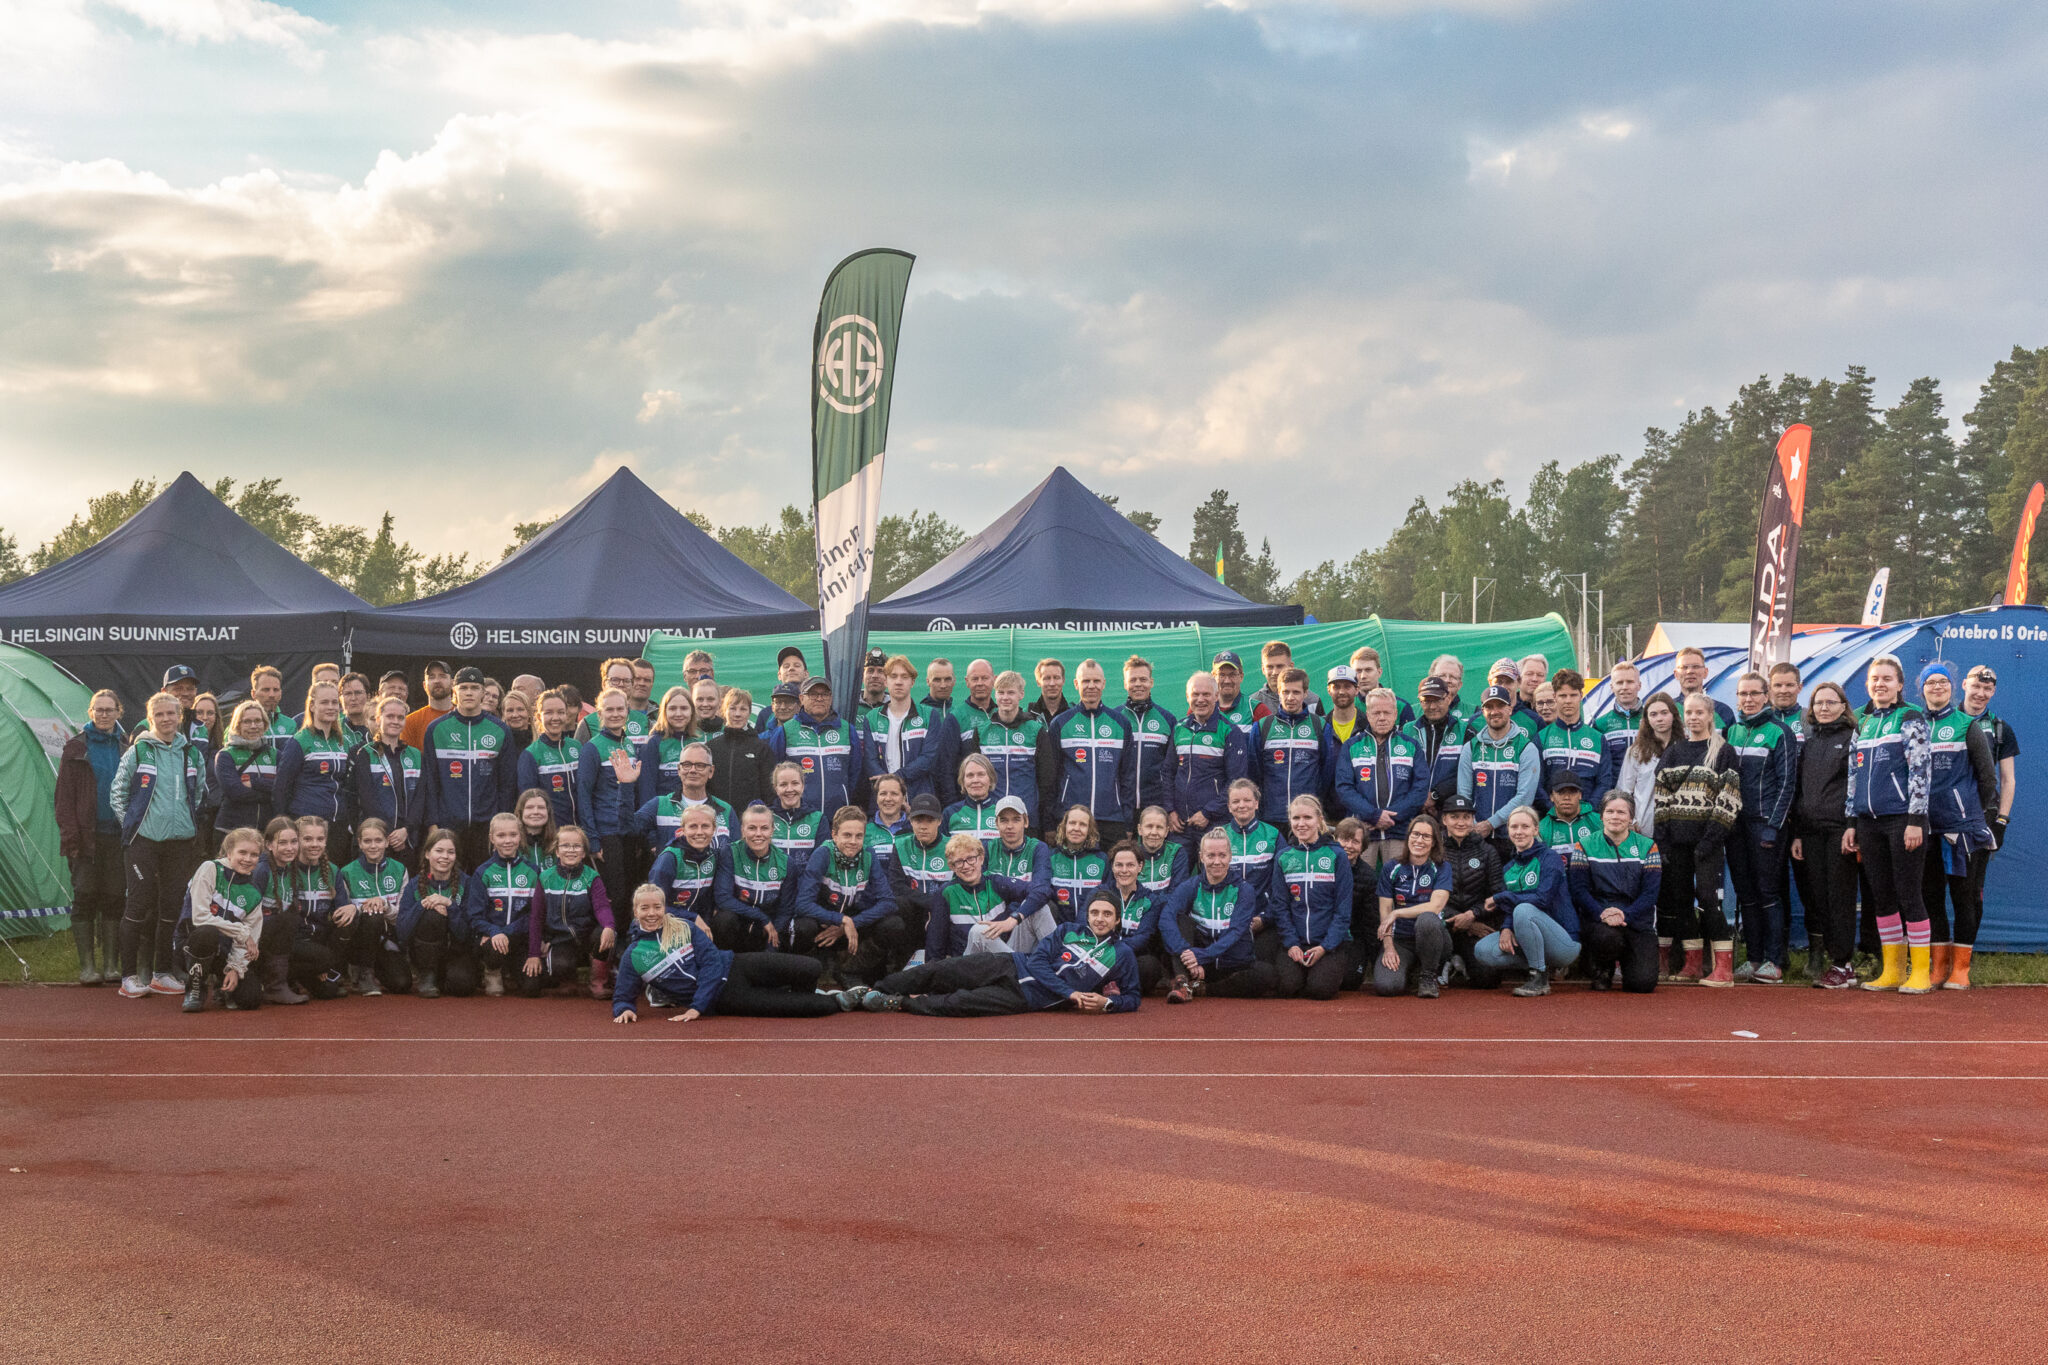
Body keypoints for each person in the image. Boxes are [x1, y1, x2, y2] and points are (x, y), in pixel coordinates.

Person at [859, 889, 1139, 1016]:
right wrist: (1070, 993)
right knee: (942, 971)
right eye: (1095, 912)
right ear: (1087, 915)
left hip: (1024, 998)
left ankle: (897, 1003)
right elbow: (1038, 962)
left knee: (959, 1003)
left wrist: (1108, 1003)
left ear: (1117, 920)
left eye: (1107, 914)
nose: (1099, 919)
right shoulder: (1068, 930)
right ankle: (873, 989)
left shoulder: (1122, 954)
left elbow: (1133, 997)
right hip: (1011, 964)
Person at [610, 885, 845, 1023]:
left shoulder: (684, 927)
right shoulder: (634, 955)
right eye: (644, 908)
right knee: (820, 1007)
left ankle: (799, 992)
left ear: (664, 908)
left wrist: (696, 1006)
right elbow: (623, 994)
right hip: (725, 998)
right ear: (635, 911)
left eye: (657, 907)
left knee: (812, 967)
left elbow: (712, 961)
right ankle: (846, 999)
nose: (651, 913)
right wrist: (625, 1009)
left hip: (735, 965)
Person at [112, 691, 210, 999]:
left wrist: (186, 823)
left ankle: (162, 974)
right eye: (160, 714)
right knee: (138, 906)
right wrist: (134, 827)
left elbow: (199, 794)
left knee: (172, 907)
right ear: (150, 718)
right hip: (143, 842)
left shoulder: (192, 753)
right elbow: (118, 793)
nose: (166, 719)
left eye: (171, 714)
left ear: (180, 716)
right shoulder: (138, 751)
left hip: (179, 843)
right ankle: (128, 977)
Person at [1849, 655, 1935, 993]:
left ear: (1900, 684)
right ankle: (1893, 971)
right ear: (1868, 685)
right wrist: (1851, 821)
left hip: (1903, 820)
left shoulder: (1910, 717)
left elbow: (1921, 771)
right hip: (1868, 823)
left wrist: (1916, 820)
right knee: (1881, 896)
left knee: (1909, 894)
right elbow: (1853, 776)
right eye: (1875, 679)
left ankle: (1921, 972)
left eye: (1887, 678)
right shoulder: (1863, 723)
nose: (1880, 684)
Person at [1914, 661, 1994, 990]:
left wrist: (1968, 810)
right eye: (1930, 682)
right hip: (1922, 828)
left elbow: (1988, 779)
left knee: (1964, 898)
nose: (1937, 687)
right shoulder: (1913, 723)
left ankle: (1961, 969)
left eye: (1942, 682)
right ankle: (1939, 967)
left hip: (1961, 830)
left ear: (1952, 687)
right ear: (1921, 689)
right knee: (1930, 897)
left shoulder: (1966, 725)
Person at [1654, 692, 1742, 986]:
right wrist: (1663, 841)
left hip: (1708, 842)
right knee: (1681, 900)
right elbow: (1661, 798)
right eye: (1689, 713)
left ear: (1710, 716)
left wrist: (1710, 840)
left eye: (1699, 713)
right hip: (1676, 843)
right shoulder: (1673, 752)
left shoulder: (1724, 752)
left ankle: (1723, 968)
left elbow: (1729, 800)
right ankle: (1692, 964)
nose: (1693, 718)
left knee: (1708, 899)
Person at [1725, 670, 1798, 983]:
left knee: (1768, 892)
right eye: (1743, 694)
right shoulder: (1731, 731)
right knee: (1746, 893)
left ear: (1766, 696)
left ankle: (1775, 961)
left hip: (1765, 825)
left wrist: (1774, 825)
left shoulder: (1779, 732)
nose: (1749, 699)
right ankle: (1754, 958)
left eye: (1755, 693)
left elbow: (1787, 783)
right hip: (1735, 826)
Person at [1790, 681, 1860, 989]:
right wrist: (1797, 833)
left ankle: (1843, 964)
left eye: (1831, 702)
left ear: (1843, 707)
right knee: (1818, 899)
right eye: (1819, 703)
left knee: (1839, 898)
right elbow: (1800, 791)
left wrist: (1852, 827)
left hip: (1840, 832)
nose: (1824, 708)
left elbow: (1857, 786)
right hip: (1810, 833)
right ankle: (1836, 961)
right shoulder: (1809, 742)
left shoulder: (1852, 738)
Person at [56, 689, 127, 984]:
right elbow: (63, 799)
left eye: (109, 709)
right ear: (90, 712)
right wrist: (71, 838)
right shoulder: (75, 748)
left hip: (117, 837)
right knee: (85, 897)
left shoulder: (127, 747)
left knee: (114, 898)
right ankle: (87, 967)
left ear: (119, 712)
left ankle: (111, 966)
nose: (104, 714)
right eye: (99, 709)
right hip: (85, 839)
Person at [792, 806, 906, 986]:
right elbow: (802, 904)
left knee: (894, 924)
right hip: (824, 924)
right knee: (803, 927)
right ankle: (813, 972)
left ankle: (850, 970)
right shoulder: (823, 854)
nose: (853, 841)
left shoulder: (868, 854)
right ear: (834, 834)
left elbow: (888, 901)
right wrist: (841, 920)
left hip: (852, 925)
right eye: (847, 835)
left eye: (858, 836)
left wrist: (852, 922)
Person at [1158, 828, 1275, 1002]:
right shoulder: (1191, 886)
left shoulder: (1244, 890)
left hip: (1231, 963)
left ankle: (1205, 989)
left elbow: (1235, 932)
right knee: (1180, 920)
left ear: (1230, 856)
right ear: (1201, 857)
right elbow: (1166, 918)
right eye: (1211, 855)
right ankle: (1183, 983)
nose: (1217, 861)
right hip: (1197, 963)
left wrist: (1202, 955)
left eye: (1222, 855)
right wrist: (1186, 952)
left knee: (1266, 975)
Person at [418, 667, 518, 869]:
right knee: (450, 880)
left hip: (487, 826)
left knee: (484, 880)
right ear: (454, 691)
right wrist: (432, 824)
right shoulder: (436, 729)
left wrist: (502, 822)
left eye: (475, 687)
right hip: (448, 825)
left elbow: (507, 784)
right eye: (463, 688)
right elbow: (430, 782)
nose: (469, 693)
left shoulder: (500, 730)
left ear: (483, 693)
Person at [1473, 808, 1577, 997]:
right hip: (1529, 934)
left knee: (1524, 909)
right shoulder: (1509, 867)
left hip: (1563, 942)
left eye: (1525, 826)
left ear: (1536, 830)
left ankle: (1538, 977)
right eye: (1514, 827)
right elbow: (1510, 907)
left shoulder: (1550, 858)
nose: (1519, 832)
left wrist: (1501, 897)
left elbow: (1542, 899)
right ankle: (1539, 965)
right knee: (1483, 950)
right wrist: (1506, 927)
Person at [1958, 663, 2017, 987]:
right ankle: (1932, 959)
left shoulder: (2000, 728)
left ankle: (1961, 964)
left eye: (1987, 689)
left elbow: (2008, 780)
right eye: (1976, 686)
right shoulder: (1941, 719)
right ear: (1964, 685)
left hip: (1981, 819)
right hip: (1940, 818)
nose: (1980, 693)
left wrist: (2002, 822)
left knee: (1971, 891)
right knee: (1932, 888)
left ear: (1993, 692)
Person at [1570, 793, 1663, 993]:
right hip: (1600, 920)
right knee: (1607, 938)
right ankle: (1602, 968)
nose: (1615, 816)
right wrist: (1602, 913)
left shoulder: (1648, 846)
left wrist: (1625, 915)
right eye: (1610, 811)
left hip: (1637, 920)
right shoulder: (1584, 845)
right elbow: (1579, 890)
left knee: (1642, 984)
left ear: (1631, 818)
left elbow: (1650, 894)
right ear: (1601, 816)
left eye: (1621, 812)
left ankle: (1630, 963)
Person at [174, 826, 273, 1012]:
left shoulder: (253, 894)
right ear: (229, 852)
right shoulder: (210, 868)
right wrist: (241, 931)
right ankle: (195, 988)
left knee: (250, 999)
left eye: (254, 855)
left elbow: (250, 937)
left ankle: (223, 985)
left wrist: (235, 968)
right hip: (191, 946)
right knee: (207, 932)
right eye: (242, 852)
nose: (247, 859)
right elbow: (200, 917)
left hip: (224, 953)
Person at [1333, 686, 1424, 870]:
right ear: (1367, 714)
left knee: (1398, 882)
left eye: (1387, 712)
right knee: (1361, 883)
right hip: (1362, 832)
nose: (1382, 717)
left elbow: (1420, 788)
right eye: (1376, 713)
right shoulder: (1352, 745)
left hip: (1399, 830)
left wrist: (1391, 816)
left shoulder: (1411, 745)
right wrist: (1374, 815)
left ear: (1395, 714)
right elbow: (1344, 788)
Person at [1048, 660, 1137, 844]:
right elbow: (1050, 777)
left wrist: (1128, 822)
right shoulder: (1060, 723)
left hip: (1111, 819)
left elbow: (1128, 776)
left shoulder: (1121, 723)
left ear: (1104, 683)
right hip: (1071, 818)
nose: (1091, 686)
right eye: (1086, 681)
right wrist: (1049, 822)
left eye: (1096, 681)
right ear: (1076, 684)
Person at [1273, 795, 1353, 1000]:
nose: (1301, 824)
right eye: (1296, 818)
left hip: (1328, 944)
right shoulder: (1283, 857)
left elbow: (1343, 910)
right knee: (1287, 987)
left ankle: (1323, 972)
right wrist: (1292, 944)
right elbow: (1280, 907)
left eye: (1307, 817)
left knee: (1320, 990)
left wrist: (1326, 947)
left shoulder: (1337, 855)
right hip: (1296, 943)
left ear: (1319, 820)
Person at [457, 812, 544, 998]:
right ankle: (492, 970)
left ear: (520, 837)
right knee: (492, 948)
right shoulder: (482, 872)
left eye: (513, 835)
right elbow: (474, 916)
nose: (507, 841)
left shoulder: (533, 871)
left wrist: (507, 931)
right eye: (501, 835)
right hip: (492, 940)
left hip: (520, 939)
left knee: (532, 989)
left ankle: (512, 969)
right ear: (492, 838)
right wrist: (494, 931)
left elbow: (535, 913)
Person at [958, 670, 1056, 832]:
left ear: (1021, 694)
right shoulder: (982, 731)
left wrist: (1047, 822)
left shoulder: (1036, 730)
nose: (1005, 697)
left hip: (1026, 816)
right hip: (991, 817)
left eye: (1011, 692)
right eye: (1001, 692)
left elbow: (1047, 780)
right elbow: (973, 775)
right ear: (995, 695)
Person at [575, 686, 645, 910]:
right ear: (600, 713)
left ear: (627, 712)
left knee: (632, 892)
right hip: (606, 833)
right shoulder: (592, 748)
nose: (615, 714)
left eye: (620, 709)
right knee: (616, 895)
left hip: (629, 831)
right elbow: (583, 795)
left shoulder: (629, 744)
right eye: (609, 709)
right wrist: (593, 840)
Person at [1370, 815, 1454, 999]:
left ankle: (1428, 976)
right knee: (1387, 987)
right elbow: (1385, 912)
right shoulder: (1391, 867)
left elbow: (1435, 907)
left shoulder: (1442, 867)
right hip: (1401, 940)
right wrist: (1388, 946)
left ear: (1434, 842)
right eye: (1415, 834)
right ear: (1408, 837)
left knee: (1427, 919)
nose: (1419, 840)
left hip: (1434, 937)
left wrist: (1397, 913)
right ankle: (1412, 970)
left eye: (1426, 836)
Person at [1170, 671, 1252, 855]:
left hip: (1214, 823)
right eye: (1195, 694)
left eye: (1206, 694)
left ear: (1216, 696)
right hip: (1180, 825)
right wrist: (1170, 810)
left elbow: (1236, 782)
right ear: (1187, 697)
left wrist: (1208, 812)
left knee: (1214, 870)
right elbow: (1167, 772)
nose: (1200, 699)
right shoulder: (1179, 729)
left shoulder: (1230, 731)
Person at [1458, 684, 1541, 863]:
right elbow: (1464, 794)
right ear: (1482, 711)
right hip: (1477, 835)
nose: (1494, 711)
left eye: (1500, 706)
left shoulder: (1526, 748)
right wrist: (1474, 826)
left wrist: (1491, 823)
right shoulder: (1470, 747)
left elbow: (1524, 797)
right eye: (1489, 707)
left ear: (1510, 709)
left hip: (1512, 837)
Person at [274, 679, 355, 864]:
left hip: (338, 824)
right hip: (308, 824)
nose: (331, 707)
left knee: (333, 873)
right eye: (324, 702)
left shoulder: (343, 742)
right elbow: (281, 787)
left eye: (334, 702)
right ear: (312, 705)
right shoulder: (299, 741)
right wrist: (284, 824)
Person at [924, 831, 1037, 961]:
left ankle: (1053, 962)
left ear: (981, 858)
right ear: (952, 866)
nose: (966, 866)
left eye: (971, 859)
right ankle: (1023, 966)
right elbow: (935, 943)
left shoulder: (995, 882)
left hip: (1004, 954)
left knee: (1038, 907)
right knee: (980, 931)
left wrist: (1014, 918)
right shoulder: (946, 893)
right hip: (970, 963)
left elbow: (1039, 890)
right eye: (959, 862)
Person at [393, 827, 477, 999]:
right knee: (432, 915)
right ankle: (427, 974)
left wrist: (449, 905)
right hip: (422, 953)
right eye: (439, 851)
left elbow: (465, 934)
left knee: (463, 987)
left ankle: (444, 976)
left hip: (456, 951)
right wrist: (423, 905)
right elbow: (401, 932)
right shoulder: (414, 885)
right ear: (427, 854)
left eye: (450, 852)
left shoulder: (467, 883)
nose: (445, 857)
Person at [860, 654, 953, 803]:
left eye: (904, 677)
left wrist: (895, 778)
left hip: (919, 797)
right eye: (893, 676)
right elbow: (870, 760)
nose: (898, 682)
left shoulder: (929, 715)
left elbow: (928, 758)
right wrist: (889, 787)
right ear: (886, 681)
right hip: (883, 798)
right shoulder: (872, 717)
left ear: (912, 682)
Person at [769, 677, 865, 815]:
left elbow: (855, 772)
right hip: (800, 815)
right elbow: (775, 772)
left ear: (831, 698)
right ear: (801, 698)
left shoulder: (847, 729)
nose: (819, 699)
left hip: (839, 813)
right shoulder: (785, 731)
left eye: (824, 694)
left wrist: (842, 796)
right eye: (813, 694)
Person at [1251, 667, 1335, 826]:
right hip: (1271, 815)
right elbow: (1254, 771)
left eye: (1296, 692)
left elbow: (1327, 771)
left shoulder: (1320, 726)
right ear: (1278, 692)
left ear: (1305, 693)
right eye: (1285, 692)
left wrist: (1314, 799)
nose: (1290, 697)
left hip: (1307, 816)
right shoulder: (1262, 726)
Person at [335, 818, 408, 995]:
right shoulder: (346, 872)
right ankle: (363, 972)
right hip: (358, 940)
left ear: (386, 842)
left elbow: (403, 918)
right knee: (373, 914)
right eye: (367, 841)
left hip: (386, 939)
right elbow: (344, 915)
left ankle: (376, 968)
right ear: (360, 843)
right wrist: (363, 908)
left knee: (402, 984)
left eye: (378, 840)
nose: (373, 846)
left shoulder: (400, 870)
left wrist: (385, 906)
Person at [1437, 796, 1505, 987]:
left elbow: (1497, 894)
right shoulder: (1434, 850)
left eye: (1466, 817)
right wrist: (1462, 921)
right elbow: (1423, 895)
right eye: (1454, 817)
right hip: (1443, 925)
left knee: (1488, 980)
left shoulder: (1487, 851)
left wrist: (1473, 915)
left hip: (1477, 922)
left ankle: (1461, 960)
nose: (1461, 822)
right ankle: (1446, 960)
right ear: (1444, 820)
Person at [711, 803, 797, 955]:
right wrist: (760, 917)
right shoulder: (729, 853)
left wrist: (772, 943)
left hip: (767, 929)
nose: (758, 834)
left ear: (772, 830)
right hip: (739, 924)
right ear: (742, 830)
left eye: (764, 828)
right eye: (752, 828)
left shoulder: (786, 862)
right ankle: (725, 961)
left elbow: (785, 909)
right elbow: (723, 898)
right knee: (724, 919)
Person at [347, 696, 421, 867]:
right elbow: (367, 799)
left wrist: (406, 830)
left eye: (400, 717)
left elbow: (420, 798)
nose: (395, 721)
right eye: (390, 716)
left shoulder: (415, 755)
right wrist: (389, 833)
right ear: (379, 719)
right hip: (376, 839)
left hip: (407, 839)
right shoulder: (365, 754)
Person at [1096, 838, 1169, 992]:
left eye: (1130, 865)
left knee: (1150, 966)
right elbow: (1085, 926)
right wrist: (1105, 952)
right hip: (1100, 955)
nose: (1124, 870)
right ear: (1112, 867)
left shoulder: (1151, 900)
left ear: (1140, 866)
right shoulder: (1099, 893)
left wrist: (1116, 951)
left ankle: (1114, 986)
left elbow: (1143, 937)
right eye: (1119, 865)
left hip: (1131, 957)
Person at [1221, 778, 1282, 960]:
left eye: (1247, 800)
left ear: (1256, 803)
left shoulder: (1273, 835)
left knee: (1262, 965)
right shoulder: (1218, 836)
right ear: (1229, 806)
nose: (1242, 805)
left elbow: (1282, 886)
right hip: (1226, 920)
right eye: (1236, 801)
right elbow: (1208, 883)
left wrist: (1265, 918)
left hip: (1264, 920)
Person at [984, 795, 1055, 948]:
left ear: (1026, 822)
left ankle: (1059, 961)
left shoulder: (1038, 848)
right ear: (996, 823)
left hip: (1021, 923)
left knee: (1041, 907)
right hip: (993, 926)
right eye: (1004, 820)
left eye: (1016, 819)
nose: (1010, 826)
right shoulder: (987, 848)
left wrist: (1015, 916)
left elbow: (1042, 890)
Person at [1535, 669, 1609, 810]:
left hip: (1588, 814)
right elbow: (1536, 783)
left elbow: (1604, 782)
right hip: (1551, 814)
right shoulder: (1541, 737)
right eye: (1563, 696)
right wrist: (1552, 809)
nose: (1568, 701)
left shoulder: (1598, 738)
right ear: (1555, 697)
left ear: (1581, 695)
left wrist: (1588, 810)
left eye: (1573, 695)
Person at [890, 793, 954, 950]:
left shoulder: (953, 847)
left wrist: (938, 905)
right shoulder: (901, 845)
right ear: (911, 821)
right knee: (897, 909)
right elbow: (896, 886)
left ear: (939, 821)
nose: (923, 826)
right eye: (918, 820)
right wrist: (929, 902)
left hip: (945, 911)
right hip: (914, 912)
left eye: (930, 820)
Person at [1118, 656, 1178, 820]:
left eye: (1143, 679)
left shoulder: (1168, 719)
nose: (1138, 684)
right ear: (1125, 684)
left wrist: (1170, 807)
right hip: (1121, 807)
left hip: (1156, 807)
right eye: (1133, 680)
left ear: (1151, 682)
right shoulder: (1114, 718)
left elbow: (1172, 769)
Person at [518, 688, 585, 833]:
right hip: (551, 833)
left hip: (580, 830)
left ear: (566, 715)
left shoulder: (577, 747)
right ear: (538, 716)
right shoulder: (531, 754)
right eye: (549, 713)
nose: (555, 718)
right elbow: (529, 801)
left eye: (561, 712)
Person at [648, 801, 723, 928]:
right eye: (693, 826)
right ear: (683, 830)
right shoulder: (669, 858)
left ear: (714, 829)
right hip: (668, 924)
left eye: (705, 826)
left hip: (700, 925)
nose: (699, 832)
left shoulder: (714, 856)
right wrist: (692, 918)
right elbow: (653, 906)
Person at [1616, 693, 1676, 841]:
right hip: (1645, 828)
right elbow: (1624, 790)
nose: (1659, 719)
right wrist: (1631, 821)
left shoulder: (1684, 748)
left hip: (1678, 827)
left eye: (1664, 713)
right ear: (1647, 719)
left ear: (1674, 715)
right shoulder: (1637, 752)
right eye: (1653, 714)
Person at [706, 688, 776, 812]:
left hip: (751, 819)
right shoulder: (711, 747)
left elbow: (769, 791)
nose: (737, 714)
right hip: (717, 817)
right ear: (724, 711)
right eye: (733, 708)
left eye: (743, 709)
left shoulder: (761, 748)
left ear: (749, 713)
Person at [1405, 676, 1463, 814]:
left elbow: (1467, 773)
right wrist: (1419, 797)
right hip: (1413, 808)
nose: (1432, 706)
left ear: (1448, 698)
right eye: (1427, 701)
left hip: (1450, 810)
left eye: (1437, 700)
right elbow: (1402, 770)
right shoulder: (1407, 730)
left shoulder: (1465, 730)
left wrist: (1435, 795)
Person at [1046, 805, 1107, 924]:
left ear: (1090, 830)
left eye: (1083, 825)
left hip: (1091, 928)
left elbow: (1105, 899)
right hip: (1057, 929)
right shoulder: (1051, 857)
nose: (1076, 828)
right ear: (1064, 826)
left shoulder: (1101, 860)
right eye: (1072, 823)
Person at [1595, 659, 1646, 780]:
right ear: (1612, 687)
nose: (1624, 687)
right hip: (1614, 788)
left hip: (1646, 787)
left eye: (1630, 682)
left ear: (1639, 685)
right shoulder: (1600, 724)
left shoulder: (1651, 718)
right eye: (1619, 682)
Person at [767, 761, 823, 861]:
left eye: (795, 783)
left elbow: (820, 861)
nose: (789, 789)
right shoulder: (766, 817)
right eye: (783, 784)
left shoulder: (818, 819)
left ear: (803, 786)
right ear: (776, 788)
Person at [1671, 647, 1737, 729]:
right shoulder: (1668, 710)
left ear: (1705, 672)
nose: (1690, 671)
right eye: (1684, 667)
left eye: (1695, 667)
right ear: (1676, 674)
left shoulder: (1722, 711)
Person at [944, 753, 1002, 844]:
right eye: (970, 775)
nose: (975, 780)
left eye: (981, 774)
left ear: (990, 779)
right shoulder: (950, 813)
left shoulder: (1002, 811)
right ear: (963, 781)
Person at [1348, 648, 1414, 727]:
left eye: (1368, 670)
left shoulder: (1400, 706)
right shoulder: (1348, 706)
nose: (1363, 676)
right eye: (1358, 671)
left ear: (1379, 672)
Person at [401, 661, 455, 751]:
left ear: (452, 683)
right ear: (424, 685)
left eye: (442, 676)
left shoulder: (465, 719)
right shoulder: (410, 722)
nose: (437, 681)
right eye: (431, 677)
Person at [1133, 806, 1188, 894]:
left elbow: (1177, 895)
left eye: (1159, 827)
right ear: (1140, 829)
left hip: (1168, 903)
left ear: (1166, 831)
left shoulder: (1176, 852)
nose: (1154, 832)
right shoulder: (1129, 854)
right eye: (1149, 826)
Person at [1537, 776, 1597, 851]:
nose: (1567, 797)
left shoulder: (1599, 822)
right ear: (1551, 797)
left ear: (1580, 795)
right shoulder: (1542, 829)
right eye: (1561, 792)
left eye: (1572, 792)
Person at [1210, 651, 1256, 733]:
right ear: (1213, 676)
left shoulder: (1255, 709)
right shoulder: (1201, 707)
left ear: (1241, 676)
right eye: (1222, 675)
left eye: (1232, 675)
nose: (1227, 681)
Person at [1323, 665, 1363, 747]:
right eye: (1336, 687)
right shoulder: (1321, 727)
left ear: (1357, 690)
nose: (1341, 692)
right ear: (1329, 690)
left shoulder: (1368, 725)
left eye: (1347, 686)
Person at [1026, 657, 1070, 726]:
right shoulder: (1028, 714)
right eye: (1047, 678)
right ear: (1038, 682)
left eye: (1056, 678)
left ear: (1063, 680)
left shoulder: (1073, 714)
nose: (1052, 683)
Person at [1768, 662, 1806, 739]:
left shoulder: (1810, 719)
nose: (1783, 691)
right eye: (1778, 685)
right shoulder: (1760, 720)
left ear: (1799, 687)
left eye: (1789, 685)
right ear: (1769, 688)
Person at [497, 686, 533, 755]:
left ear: (529, 712)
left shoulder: (541, 743)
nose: (515, 715)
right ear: (503, 714)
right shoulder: (497, 743)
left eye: (520, 709)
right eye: (510, 710)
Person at [860, 647, 889, 712]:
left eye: (880, 671)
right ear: (862, 676)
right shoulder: (849, 704)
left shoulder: (896, 707)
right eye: (870, 670)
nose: (875, 676)